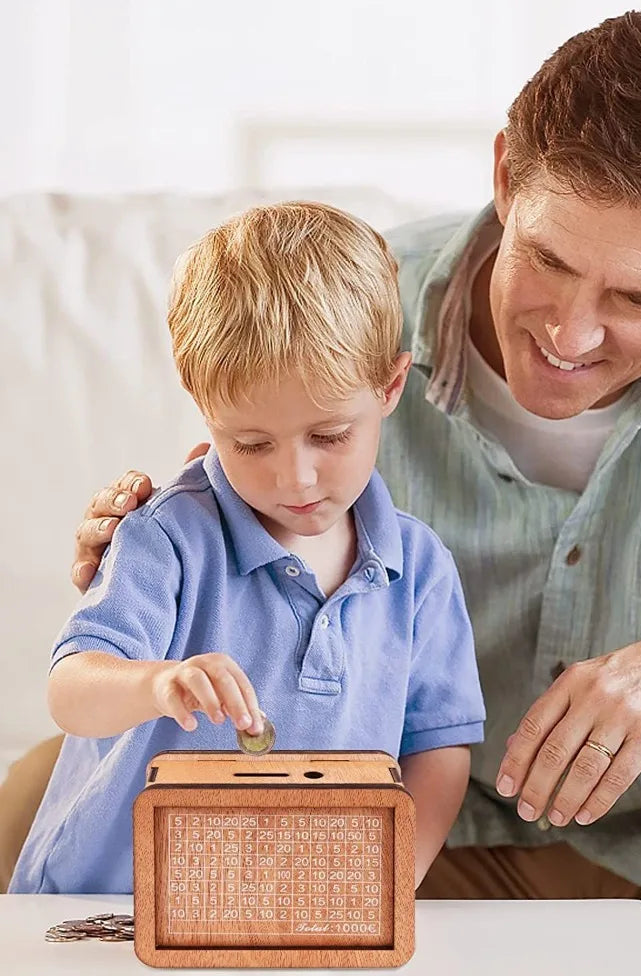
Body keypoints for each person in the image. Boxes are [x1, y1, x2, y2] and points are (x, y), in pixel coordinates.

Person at [10, 6, 641, 976]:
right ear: (502, 177)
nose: (570, 333)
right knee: (48, 793)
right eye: (552, 261)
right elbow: (232, 497)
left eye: (639, 301)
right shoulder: (353, 313)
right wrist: (153, 526)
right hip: (405, 830)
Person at [7, 201, 486, 894]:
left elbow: (437, 747)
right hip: (111, 908)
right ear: (205, 410)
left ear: (389, 388)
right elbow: (71, 690)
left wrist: (388, 884)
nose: (294, 478)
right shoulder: (167, 535)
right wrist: (155, 683)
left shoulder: (421, 570)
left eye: (329, 437)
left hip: (293, 912)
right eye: (251, 443)